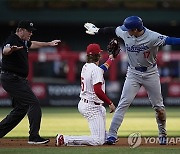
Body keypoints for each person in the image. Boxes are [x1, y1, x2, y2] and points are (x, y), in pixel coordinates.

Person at [84, 16, 180, 145]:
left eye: (128, 29)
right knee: (123, 103)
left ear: (135, 29)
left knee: (159, 108)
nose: (125, 30)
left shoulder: (153, 37)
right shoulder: (125, 32)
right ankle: (112, 134)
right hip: (133, 73)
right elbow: (113, 30)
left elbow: (171, 41)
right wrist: (97, 30)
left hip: (150, 73)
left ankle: (162, 133)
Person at [0, 20, 60, 144]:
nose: (31, 33)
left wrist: (48, 43)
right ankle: (34, 136)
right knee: (34, 103)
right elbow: (5, 50)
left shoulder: (22, 41)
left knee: (22, 108)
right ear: (20, 30)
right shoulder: (12, 40)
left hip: (15, 79)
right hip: (12, 78)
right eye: (29, 31)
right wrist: (10, 49)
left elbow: (33, 44)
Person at [56, 43, 116, 146]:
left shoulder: (86, 66)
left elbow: (101, 70)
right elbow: (97, 90)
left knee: (102, 110)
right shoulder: (95, 69)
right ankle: (65, 139)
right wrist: (109, 102)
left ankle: (105, 136)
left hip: (86, 103)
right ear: (99, 55)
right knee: (97, 141)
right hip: (91, 106)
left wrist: (111, 59)